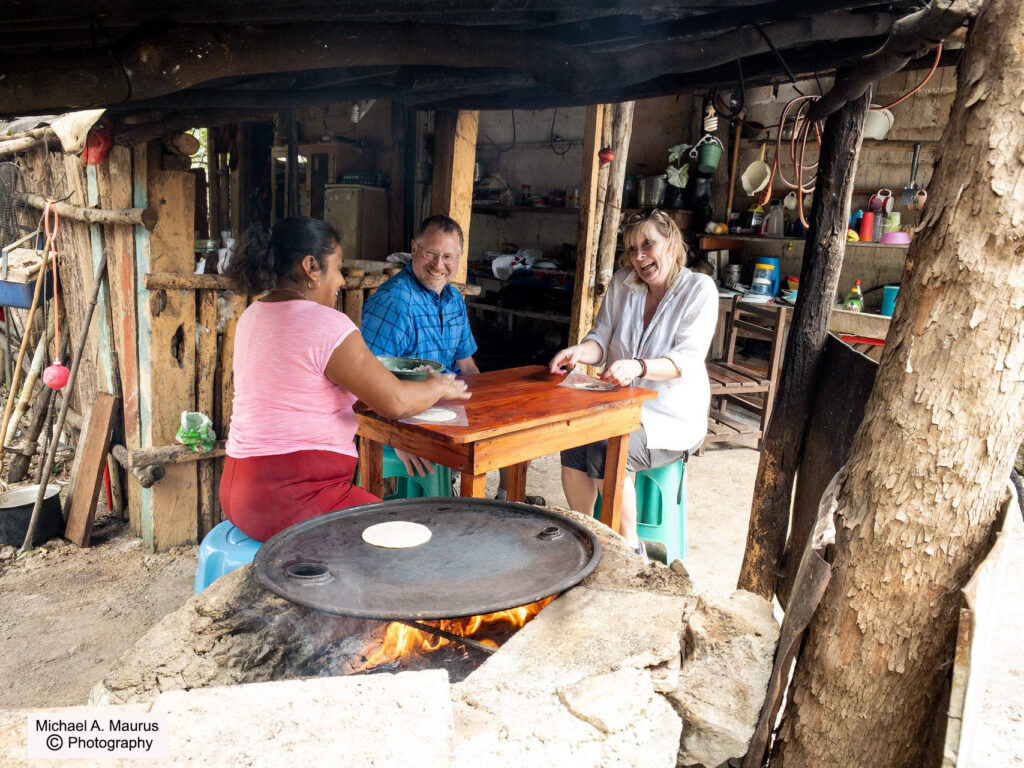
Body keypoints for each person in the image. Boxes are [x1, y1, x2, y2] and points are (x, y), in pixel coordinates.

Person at [220, 216, 470, 541]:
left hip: (238, 493)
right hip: (293, 498)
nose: (340, 280)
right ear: (311, 267)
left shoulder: (253, 315)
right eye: (337, 267)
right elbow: (395, 403)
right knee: (409, 540)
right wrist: (437, 385)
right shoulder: (326, 324)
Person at [548, 209, 718, 554]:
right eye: (632, 248)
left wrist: (638, 367)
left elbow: (685, 359)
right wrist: (578, 352)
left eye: (647, 244)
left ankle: (629, 548)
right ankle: (586, 537)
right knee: (574, 439)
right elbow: (602, 338)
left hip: (670, 414)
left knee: (609, 448)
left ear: (670, 242)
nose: (639, 257)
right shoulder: (624, 283)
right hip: (620, 403)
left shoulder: (698, 289)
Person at [361, 214, 540, 504]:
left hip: (446, 409)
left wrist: (491, 406)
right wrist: (397, 436)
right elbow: (365, 381)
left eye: (448, 257)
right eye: (431, 253)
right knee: (469, 456)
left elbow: (467, 365)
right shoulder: (394, 302)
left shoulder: (453, 298)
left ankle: (505, 502)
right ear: (414, 249)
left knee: (518, 429)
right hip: (406, 415)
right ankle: (462, 512)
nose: (438, 265)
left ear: (458, 257)